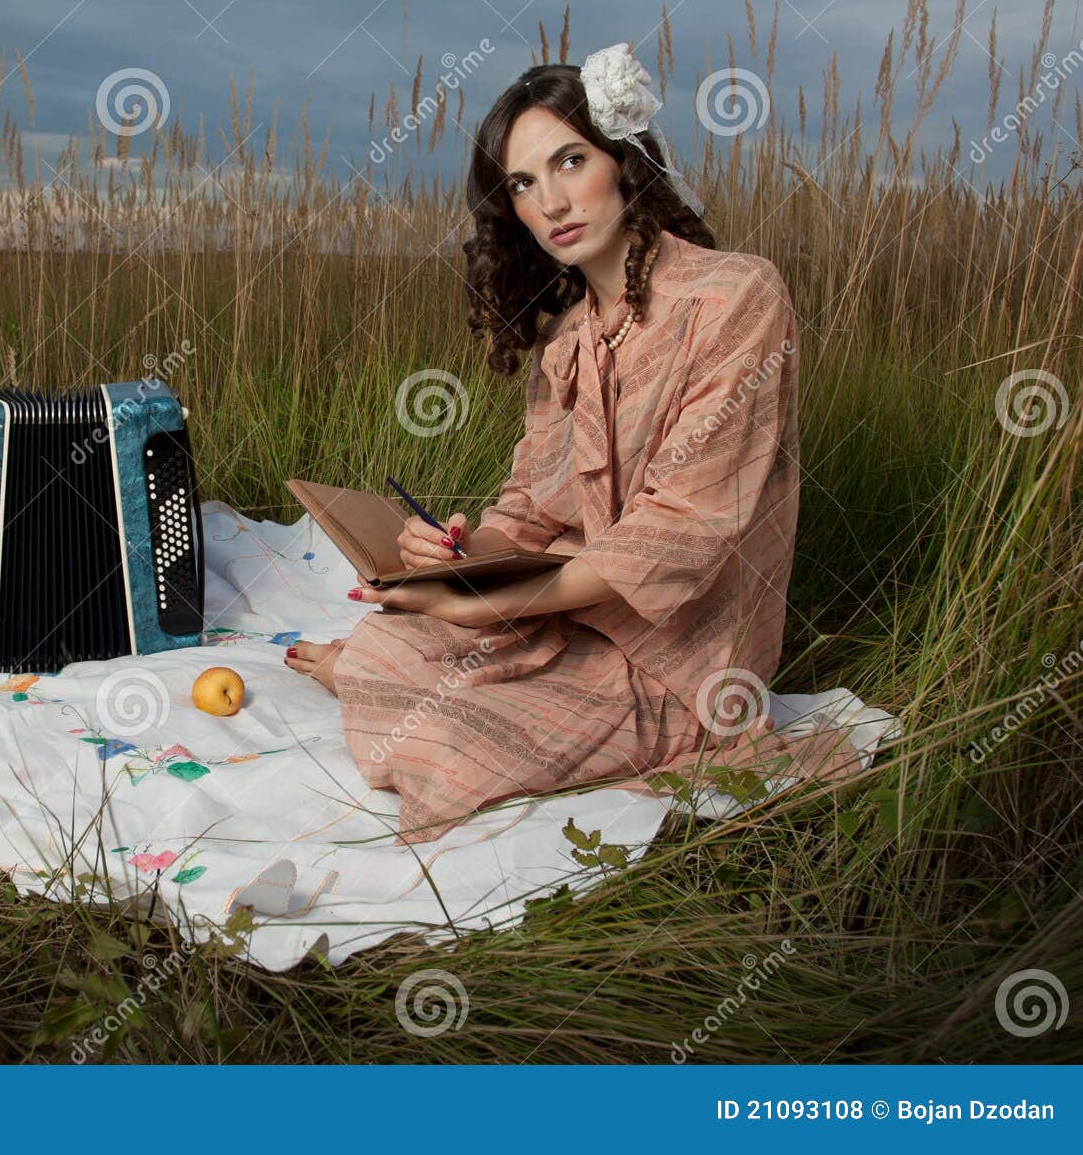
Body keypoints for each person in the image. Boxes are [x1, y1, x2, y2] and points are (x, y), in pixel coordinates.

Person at [283, 45, 864, 845]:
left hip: (682, 659)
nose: (551, 200)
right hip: (573, 616)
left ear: (623, 162)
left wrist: (489, 601)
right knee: (387, 641)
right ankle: (387, 669)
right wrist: (455, 551)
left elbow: (683, 534)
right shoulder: (566, 343)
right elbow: (526, 515)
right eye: (523, 183)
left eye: (570, 161)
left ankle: (449, 696)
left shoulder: (735, 295)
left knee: (442, 741)